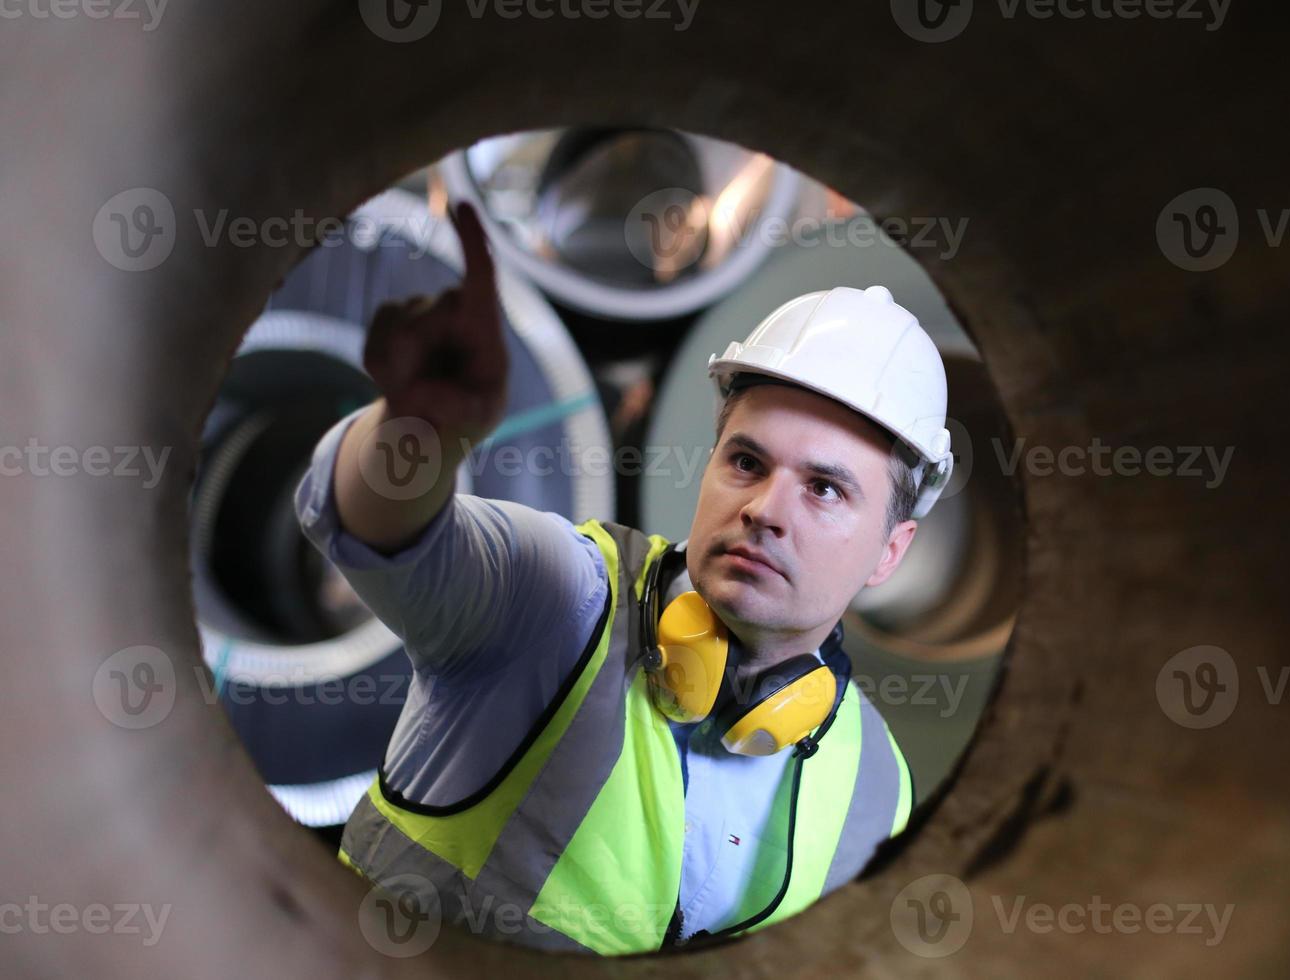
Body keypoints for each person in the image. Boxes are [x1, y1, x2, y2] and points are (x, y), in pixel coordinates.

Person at [294, 202, 955, 955]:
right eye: (747, 462)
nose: (766, 510)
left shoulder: (879, 785)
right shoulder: (557, 602)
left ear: (889, 552)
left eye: (825, 489)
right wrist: (414, 431)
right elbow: (379, 529)